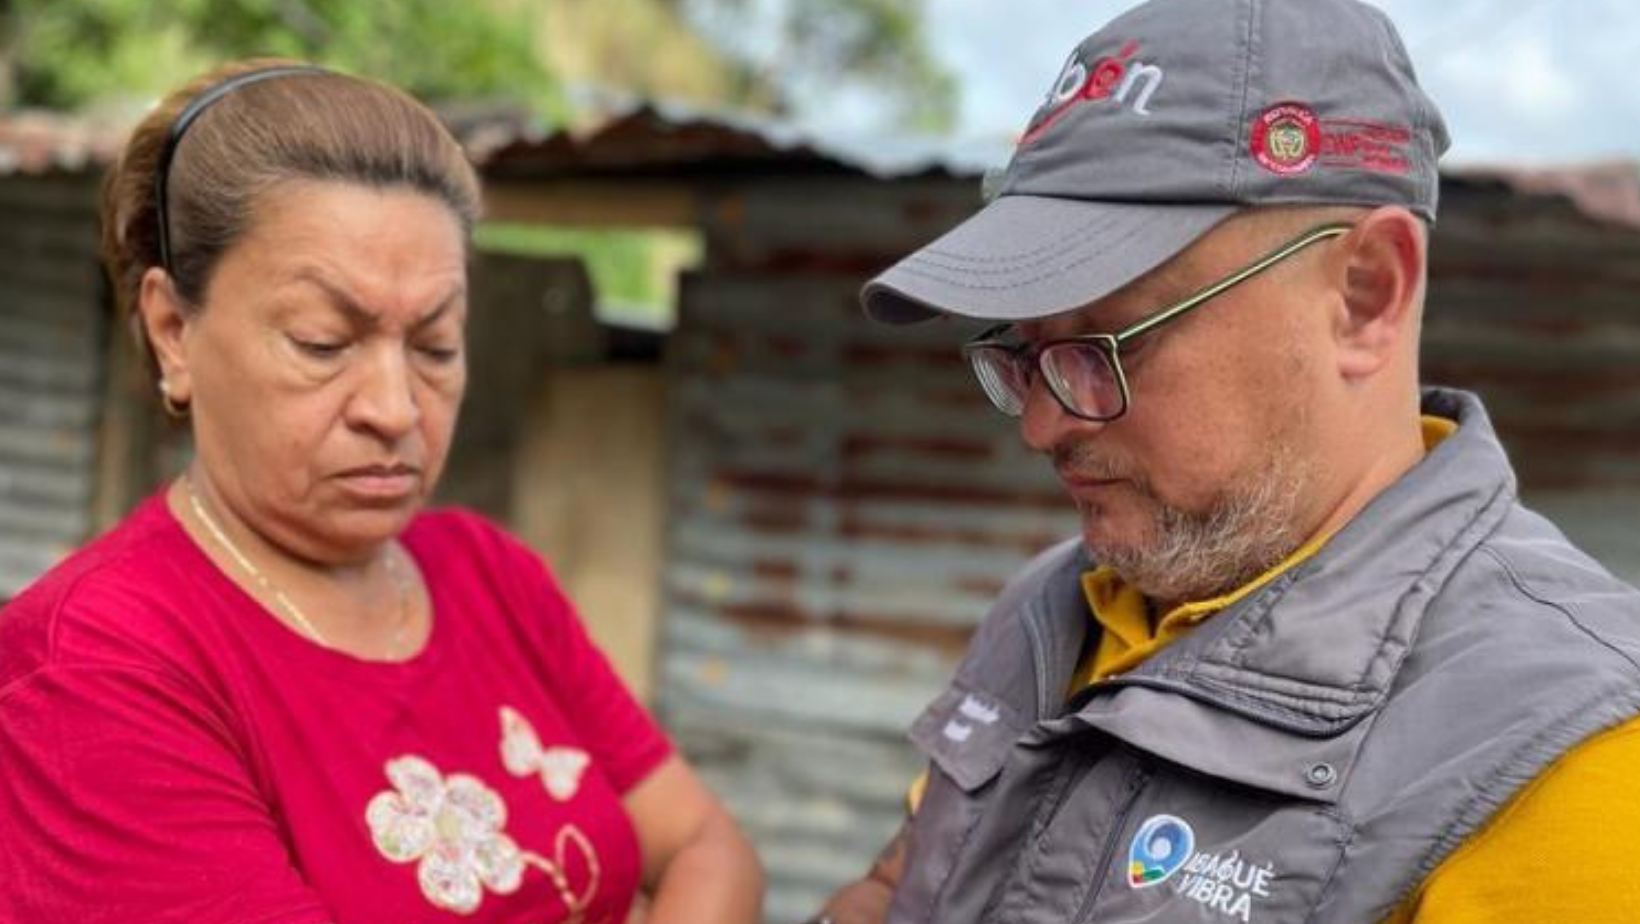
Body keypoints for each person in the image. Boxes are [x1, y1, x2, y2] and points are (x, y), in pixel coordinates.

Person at [809, 0, 1640, 922]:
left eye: (1107, 344)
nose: (1041, 425)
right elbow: (901, 888)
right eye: (1024, 352)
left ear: (1366, 295)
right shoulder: (1062, 605)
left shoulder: (1572, 760)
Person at [0, 60, 762, 924]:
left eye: (435, 346)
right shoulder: (96, 669)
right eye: (324, 343)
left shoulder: (488, 576)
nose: (396, 410)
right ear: (175, 332)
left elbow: (708, 847)